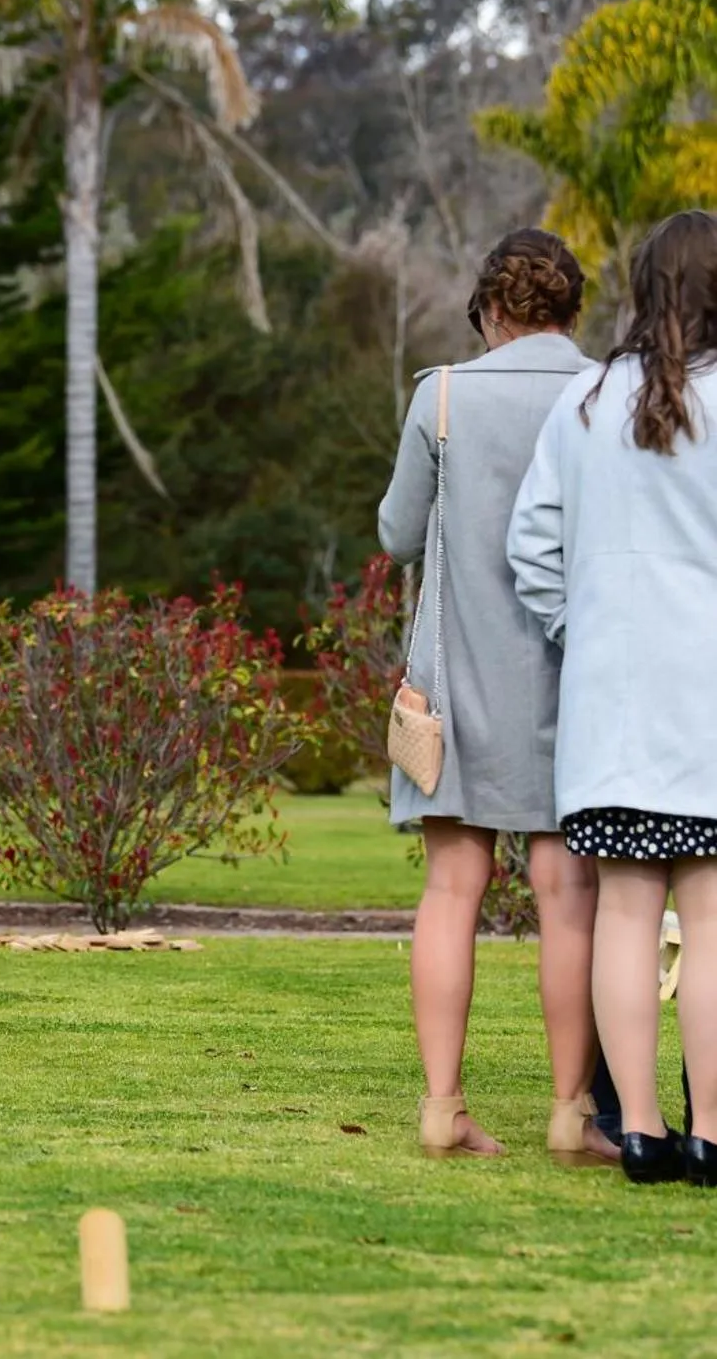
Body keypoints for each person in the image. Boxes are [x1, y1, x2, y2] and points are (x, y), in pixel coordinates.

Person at [376, 230, 606, 1160]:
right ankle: (571, 1113)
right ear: (569, 309)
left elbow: (397, 533)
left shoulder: (441, 395)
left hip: (452, 683)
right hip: (570, 674)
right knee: (569, 894)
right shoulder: (604, 394)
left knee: (450, 890)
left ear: (492, 310)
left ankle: (443, 1108)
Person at [508, 209, 717, 1187]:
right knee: (711, 923)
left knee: (625, 917)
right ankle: (709, 1129)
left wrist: (579, 631)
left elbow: (530, 550)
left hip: (610, 708)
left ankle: (635, 1127)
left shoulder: (586, 402)